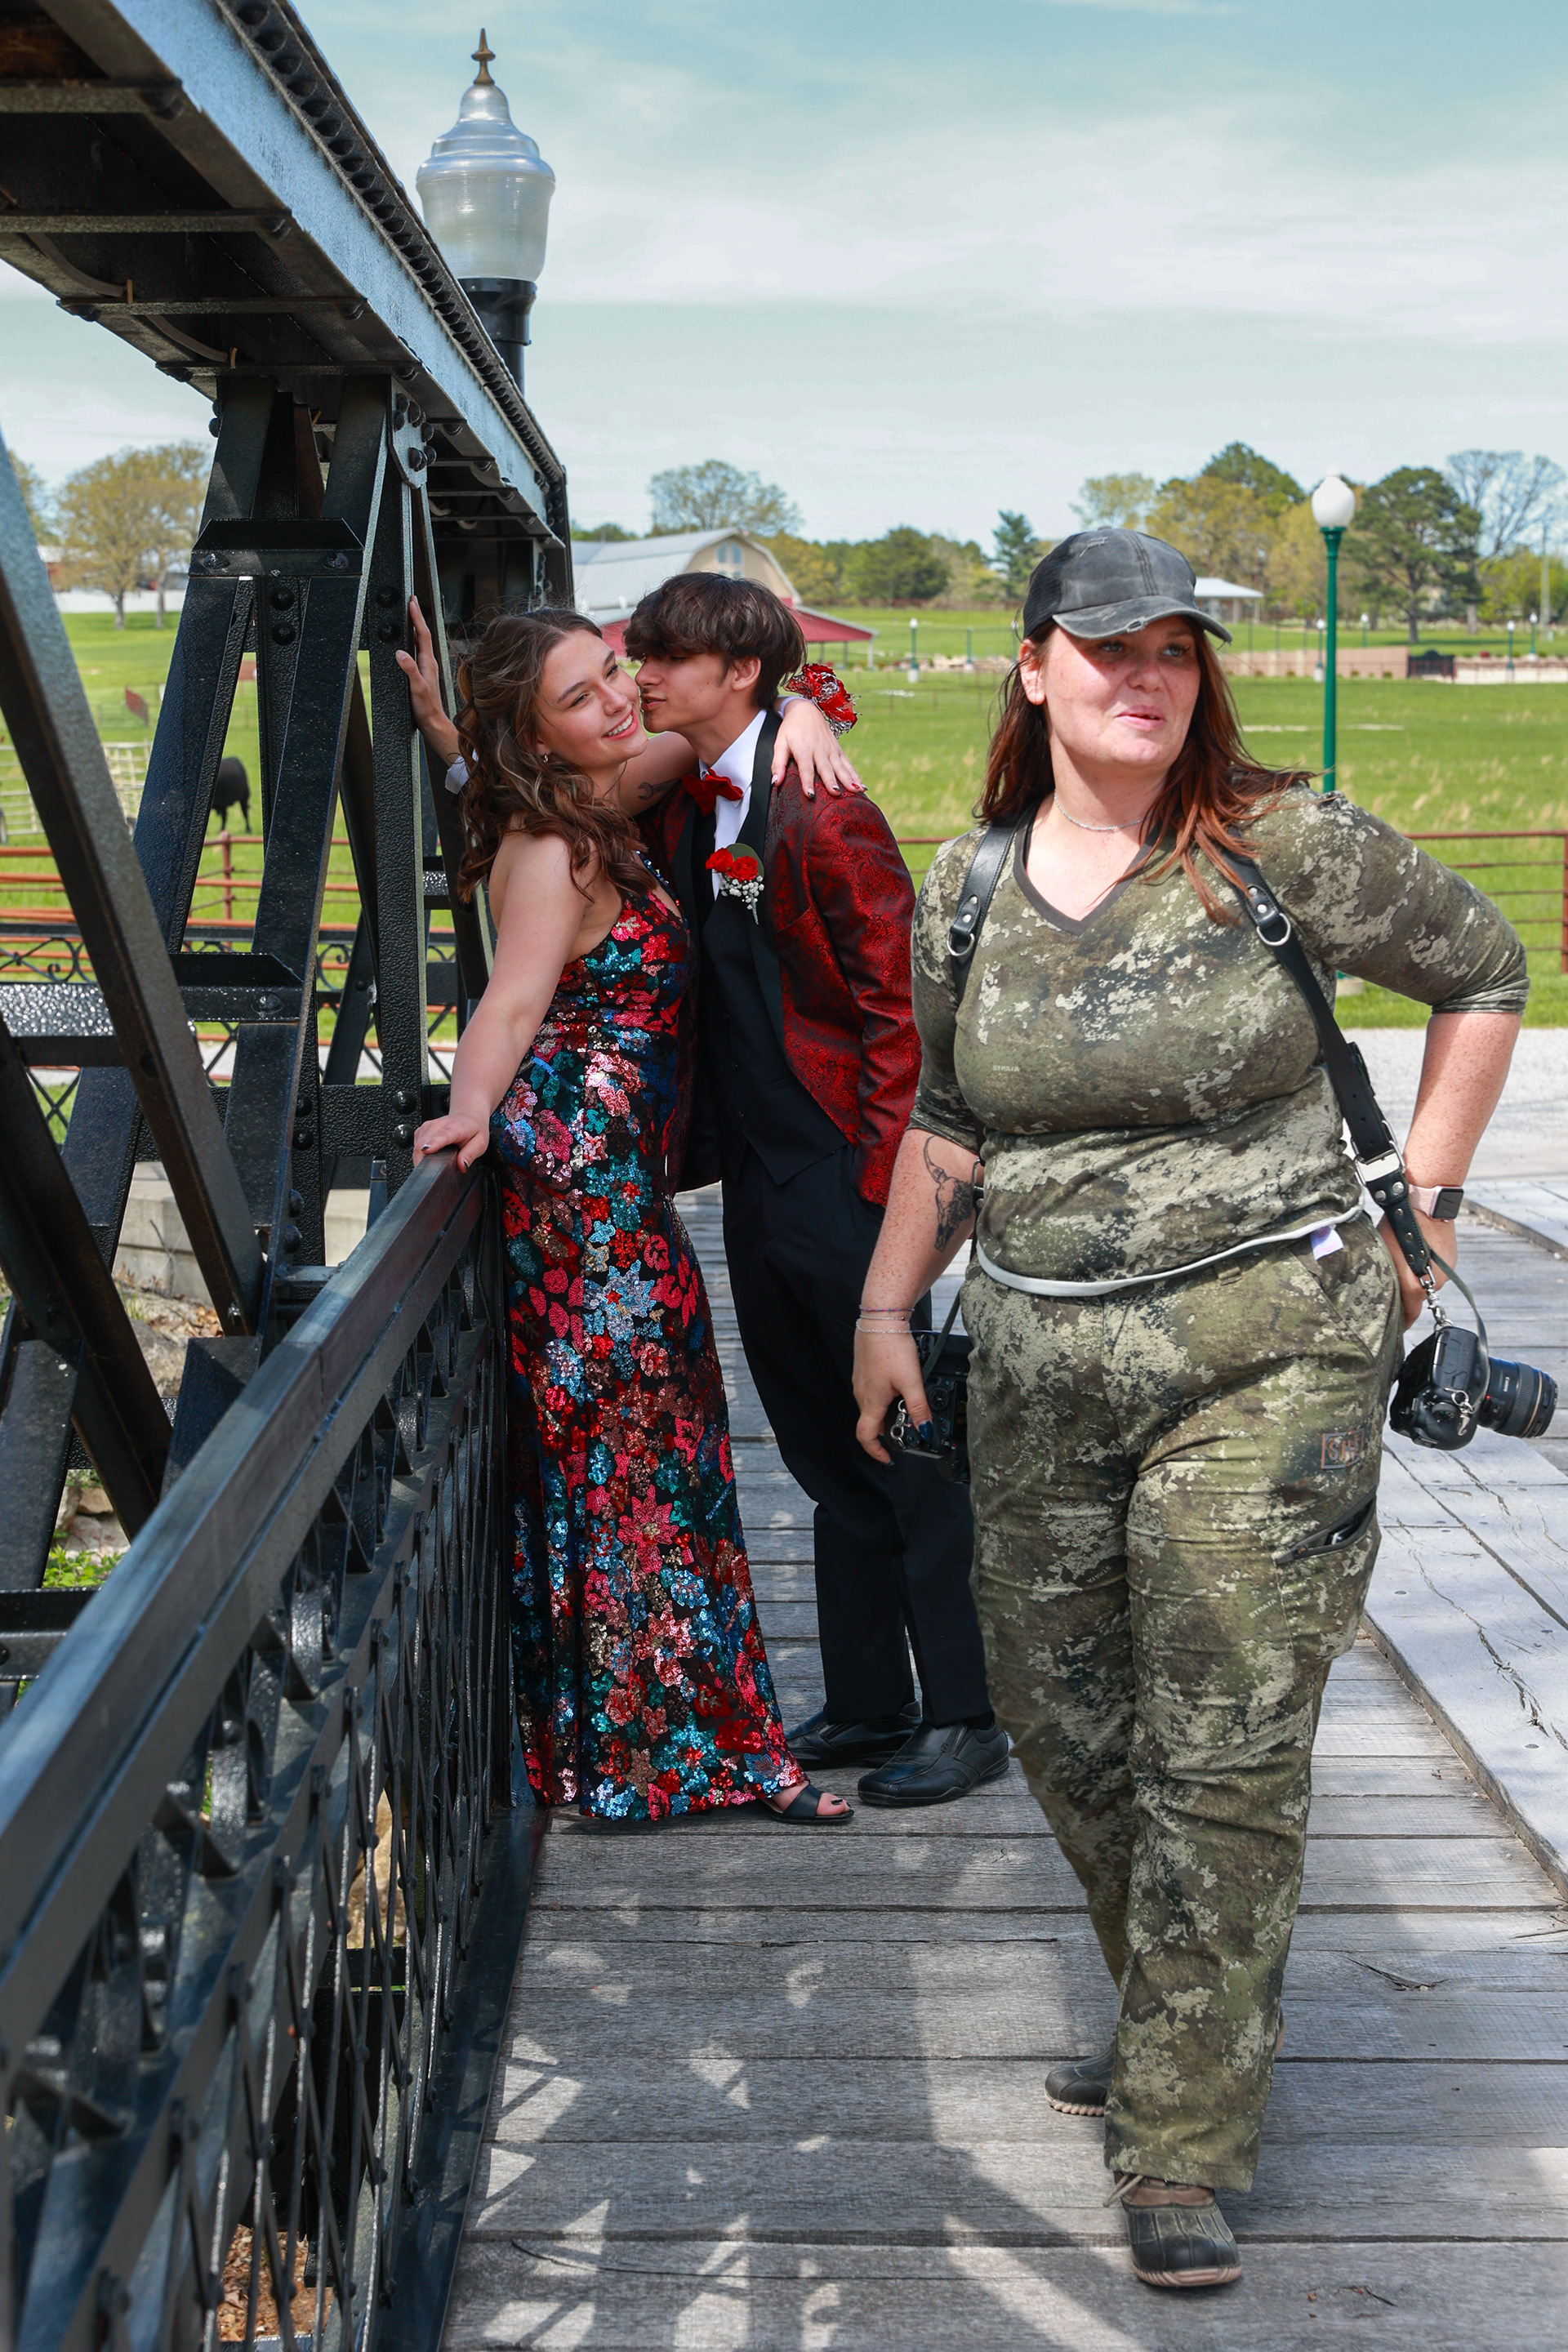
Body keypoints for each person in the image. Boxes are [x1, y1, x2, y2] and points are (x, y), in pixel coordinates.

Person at [852, 528, 1527, 2285]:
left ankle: (1180, 2139)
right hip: (1040, 1362)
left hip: (1271, 1359)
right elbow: (948, 1117)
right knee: (1068, 1724)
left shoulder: (1282, 848)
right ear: (1032, 671)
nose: (1143, 676)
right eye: (1104, 649)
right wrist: (882, 1304)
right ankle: (1180, 2011)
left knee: (1224, 1732)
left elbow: (1486, 970)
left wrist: (1426, 1221)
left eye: (1172, 649)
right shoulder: (969, 889)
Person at [403, 602, 861, 1823]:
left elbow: (719, 735)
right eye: (582, 695)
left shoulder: (592, 801)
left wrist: (802, 704)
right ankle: (672, 1761)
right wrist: (469, 1109)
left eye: (615, 672)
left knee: (654, 1457)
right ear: (537, 736)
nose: (620, 697)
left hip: (620, 1192)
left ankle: (654, 1752)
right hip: (581, 1202)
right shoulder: (552, 851)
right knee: (632, 1466)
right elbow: (507, 1004)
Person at [626, 573, 1004, 1807]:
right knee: (815, 1442)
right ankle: (866, 1700)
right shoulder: (696, 798)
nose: (643, 673)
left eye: (664, 656)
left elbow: (905, 1015)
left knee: (903, 1444)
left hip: (849, 1177)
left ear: (738, 671)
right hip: (758, 1178)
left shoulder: (823, 816)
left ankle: (965, 1710)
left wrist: (901, 1197)